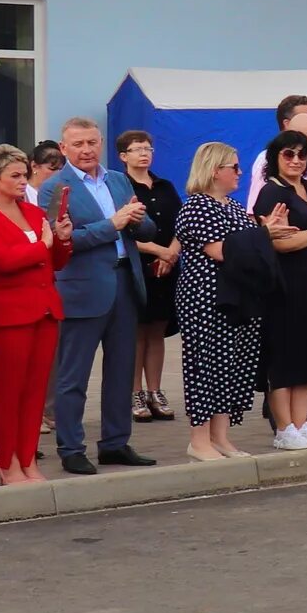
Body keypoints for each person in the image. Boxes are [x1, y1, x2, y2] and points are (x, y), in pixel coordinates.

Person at [33, 117, 157, 475]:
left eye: (92, 142)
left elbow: (145, 229)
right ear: (64, 148)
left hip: (124, 283)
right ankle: (71, 447)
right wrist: (114, 224)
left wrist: (135, 219)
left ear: (100, 142)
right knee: (74, 376)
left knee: (121, 371)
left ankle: (115, 443)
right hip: (82, 289)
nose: (86, 150)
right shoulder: (55, 187)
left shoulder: (118, 179)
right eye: (78, 144)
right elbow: (62, 242)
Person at [0, 145, 67, 483]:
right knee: (8, 390)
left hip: (44, 310)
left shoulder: (34, 213)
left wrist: (62, 241)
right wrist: (44, 246)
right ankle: (6, 463)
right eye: (15, 176)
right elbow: (0, 262)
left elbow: (55, 263)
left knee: (36, 390)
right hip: (6, 315)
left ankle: (28, 459)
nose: (24, 181)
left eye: (25, 175)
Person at [249, 132, 307, 447]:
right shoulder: (272, 193)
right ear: (276, 157)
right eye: (289, 154)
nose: (296, 161)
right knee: (283, 355)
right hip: (283, 281)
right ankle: (283, 427)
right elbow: (281, 242)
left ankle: (302, 423)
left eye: (302, 155)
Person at [174, 142, 263, 460]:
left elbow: (251, 243)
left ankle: (221, 437)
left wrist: (266, 235)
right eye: (235, 167)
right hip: (206, 299)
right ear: (215, 171)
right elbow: (220, 251)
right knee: (205, 366)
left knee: (232, 365)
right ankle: (199, 440)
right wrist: (262, 240)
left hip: (237, 297)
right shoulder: (197, 206)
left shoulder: (234, 207)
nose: (240, 173)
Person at [113, 130, 181, 425]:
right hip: (136, 266)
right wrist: (156, 250)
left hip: (167, 266)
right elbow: (119, 229)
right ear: (123, 156)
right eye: (137, 149)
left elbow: (182, 222)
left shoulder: (164, 186)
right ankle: (135, 393)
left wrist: (171, 253)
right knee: (137, 331)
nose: (144, 153)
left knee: (157, 330)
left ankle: (155, 391)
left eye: (148, 148)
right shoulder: (118, 186)